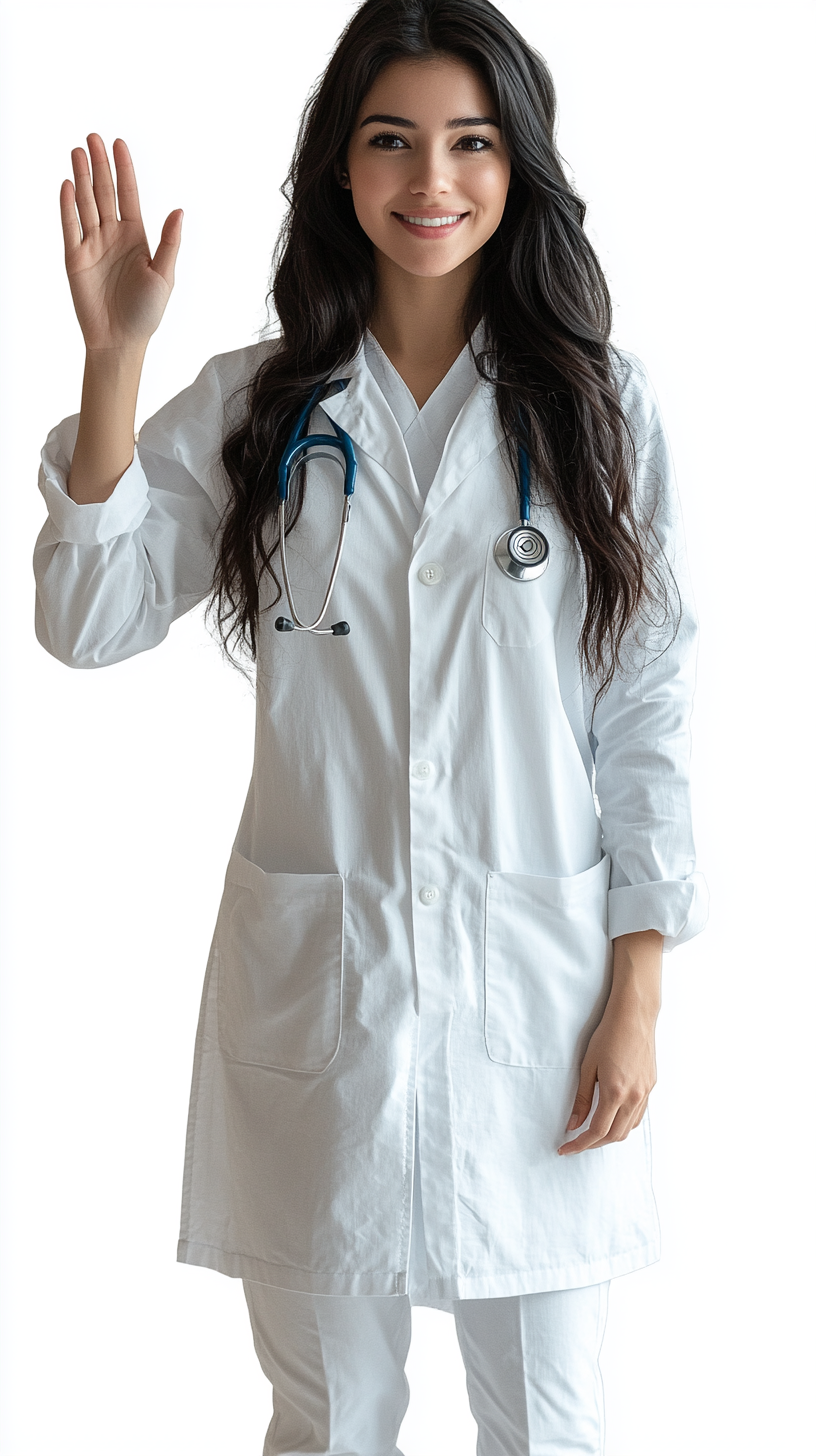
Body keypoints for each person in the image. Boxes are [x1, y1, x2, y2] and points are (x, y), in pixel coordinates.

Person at [33, 0, 708, 1451]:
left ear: (518, 167)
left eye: (471, 142)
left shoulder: (598, 413)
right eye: (391, 141)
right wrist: (111, 363)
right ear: (340, 169)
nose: (432, 180)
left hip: (545, 996)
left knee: (554, 1421)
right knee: (332, 1418)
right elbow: (87, 623)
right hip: (318, 994)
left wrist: (640, 985)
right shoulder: (259, 408)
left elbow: (648, 708)